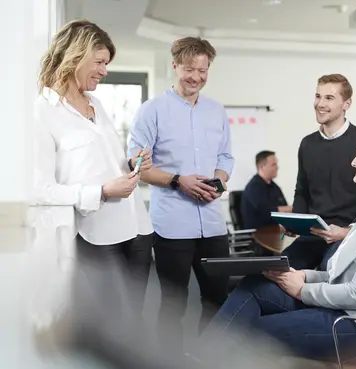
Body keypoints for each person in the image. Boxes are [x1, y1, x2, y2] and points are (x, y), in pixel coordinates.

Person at [198, 125, 356, 367]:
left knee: (250, 333)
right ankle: (201, 361)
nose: (352, 162)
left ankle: (204, 361)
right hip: (345, 311)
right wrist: (305, 275)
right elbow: (344, 276)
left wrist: (301, 290)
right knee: (253, 286)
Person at [33, 19, 154, 364]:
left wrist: (131, 164)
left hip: (137, 230)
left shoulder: (96, 105)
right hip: (97, 239)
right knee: (108, 332)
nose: (104, 71)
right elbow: (39, 189)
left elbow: (108, 162)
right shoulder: (42, 112)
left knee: (134, 328)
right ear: (75, 56)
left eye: (106, 63)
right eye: (99, 62)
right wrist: (100, 191)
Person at [128, 36, 234, 344]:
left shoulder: (216, 111)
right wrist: (178, 181)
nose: (197, 77)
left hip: (213, 225)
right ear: (175, 66)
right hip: (172, 226)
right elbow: (139, 166)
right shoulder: (152, 110)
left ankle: (208, 359)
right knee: (172, 305)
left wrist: (219, 180)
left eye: (203, 70)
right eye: (190, 69)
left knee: (217, 301)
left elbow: (226, 157)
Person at [281, 74, 356, 270]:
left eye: (329, 98)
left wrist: (347, 232)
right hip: (312, 236)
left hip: (347, 237)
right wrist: (295, 222)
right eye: (318, 96)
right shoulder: (307, 144)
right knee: (274, 271)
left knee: (325, 274)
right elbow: (302, 190)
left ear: (347, 104)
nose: (320, 103)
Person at [241, 150, 291, 230]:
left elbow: (284, 208)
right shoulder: (254, 187)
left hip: (275, 231)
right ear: (262, 167)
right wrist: (289, 208)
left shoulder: (275, 187)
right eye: (273, 165)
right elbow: (265, 212)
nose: (277, 167)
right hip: (258, 234)